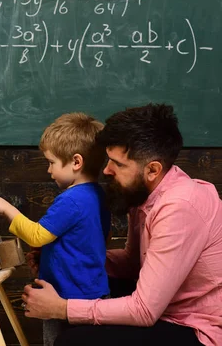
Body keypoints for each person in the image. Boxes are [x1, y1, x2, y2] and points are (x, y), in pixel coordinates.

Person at [21, 104, 222, 346]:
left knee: (73, 341)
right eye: (109, 159)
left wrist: (61, 308)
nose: (106, 170)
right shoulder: (143, 194)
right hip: (165, 306)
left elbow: (144, 311)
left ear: (152, 169)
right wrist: (64, 259)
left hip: (194, 327)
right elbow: (132, 262)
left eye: (119, 164)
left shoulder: (179, 207)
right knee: (74, 283)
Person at [0, 112, 111, 346]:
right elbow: (93, 239)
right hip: (91, 293)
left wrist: (7, 209)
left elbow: (37, 235)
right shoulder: (97, 195)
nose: (48, 170)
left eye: (51, 162)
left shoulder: (71, 200)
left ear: (76, 162)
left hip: (67, 296)